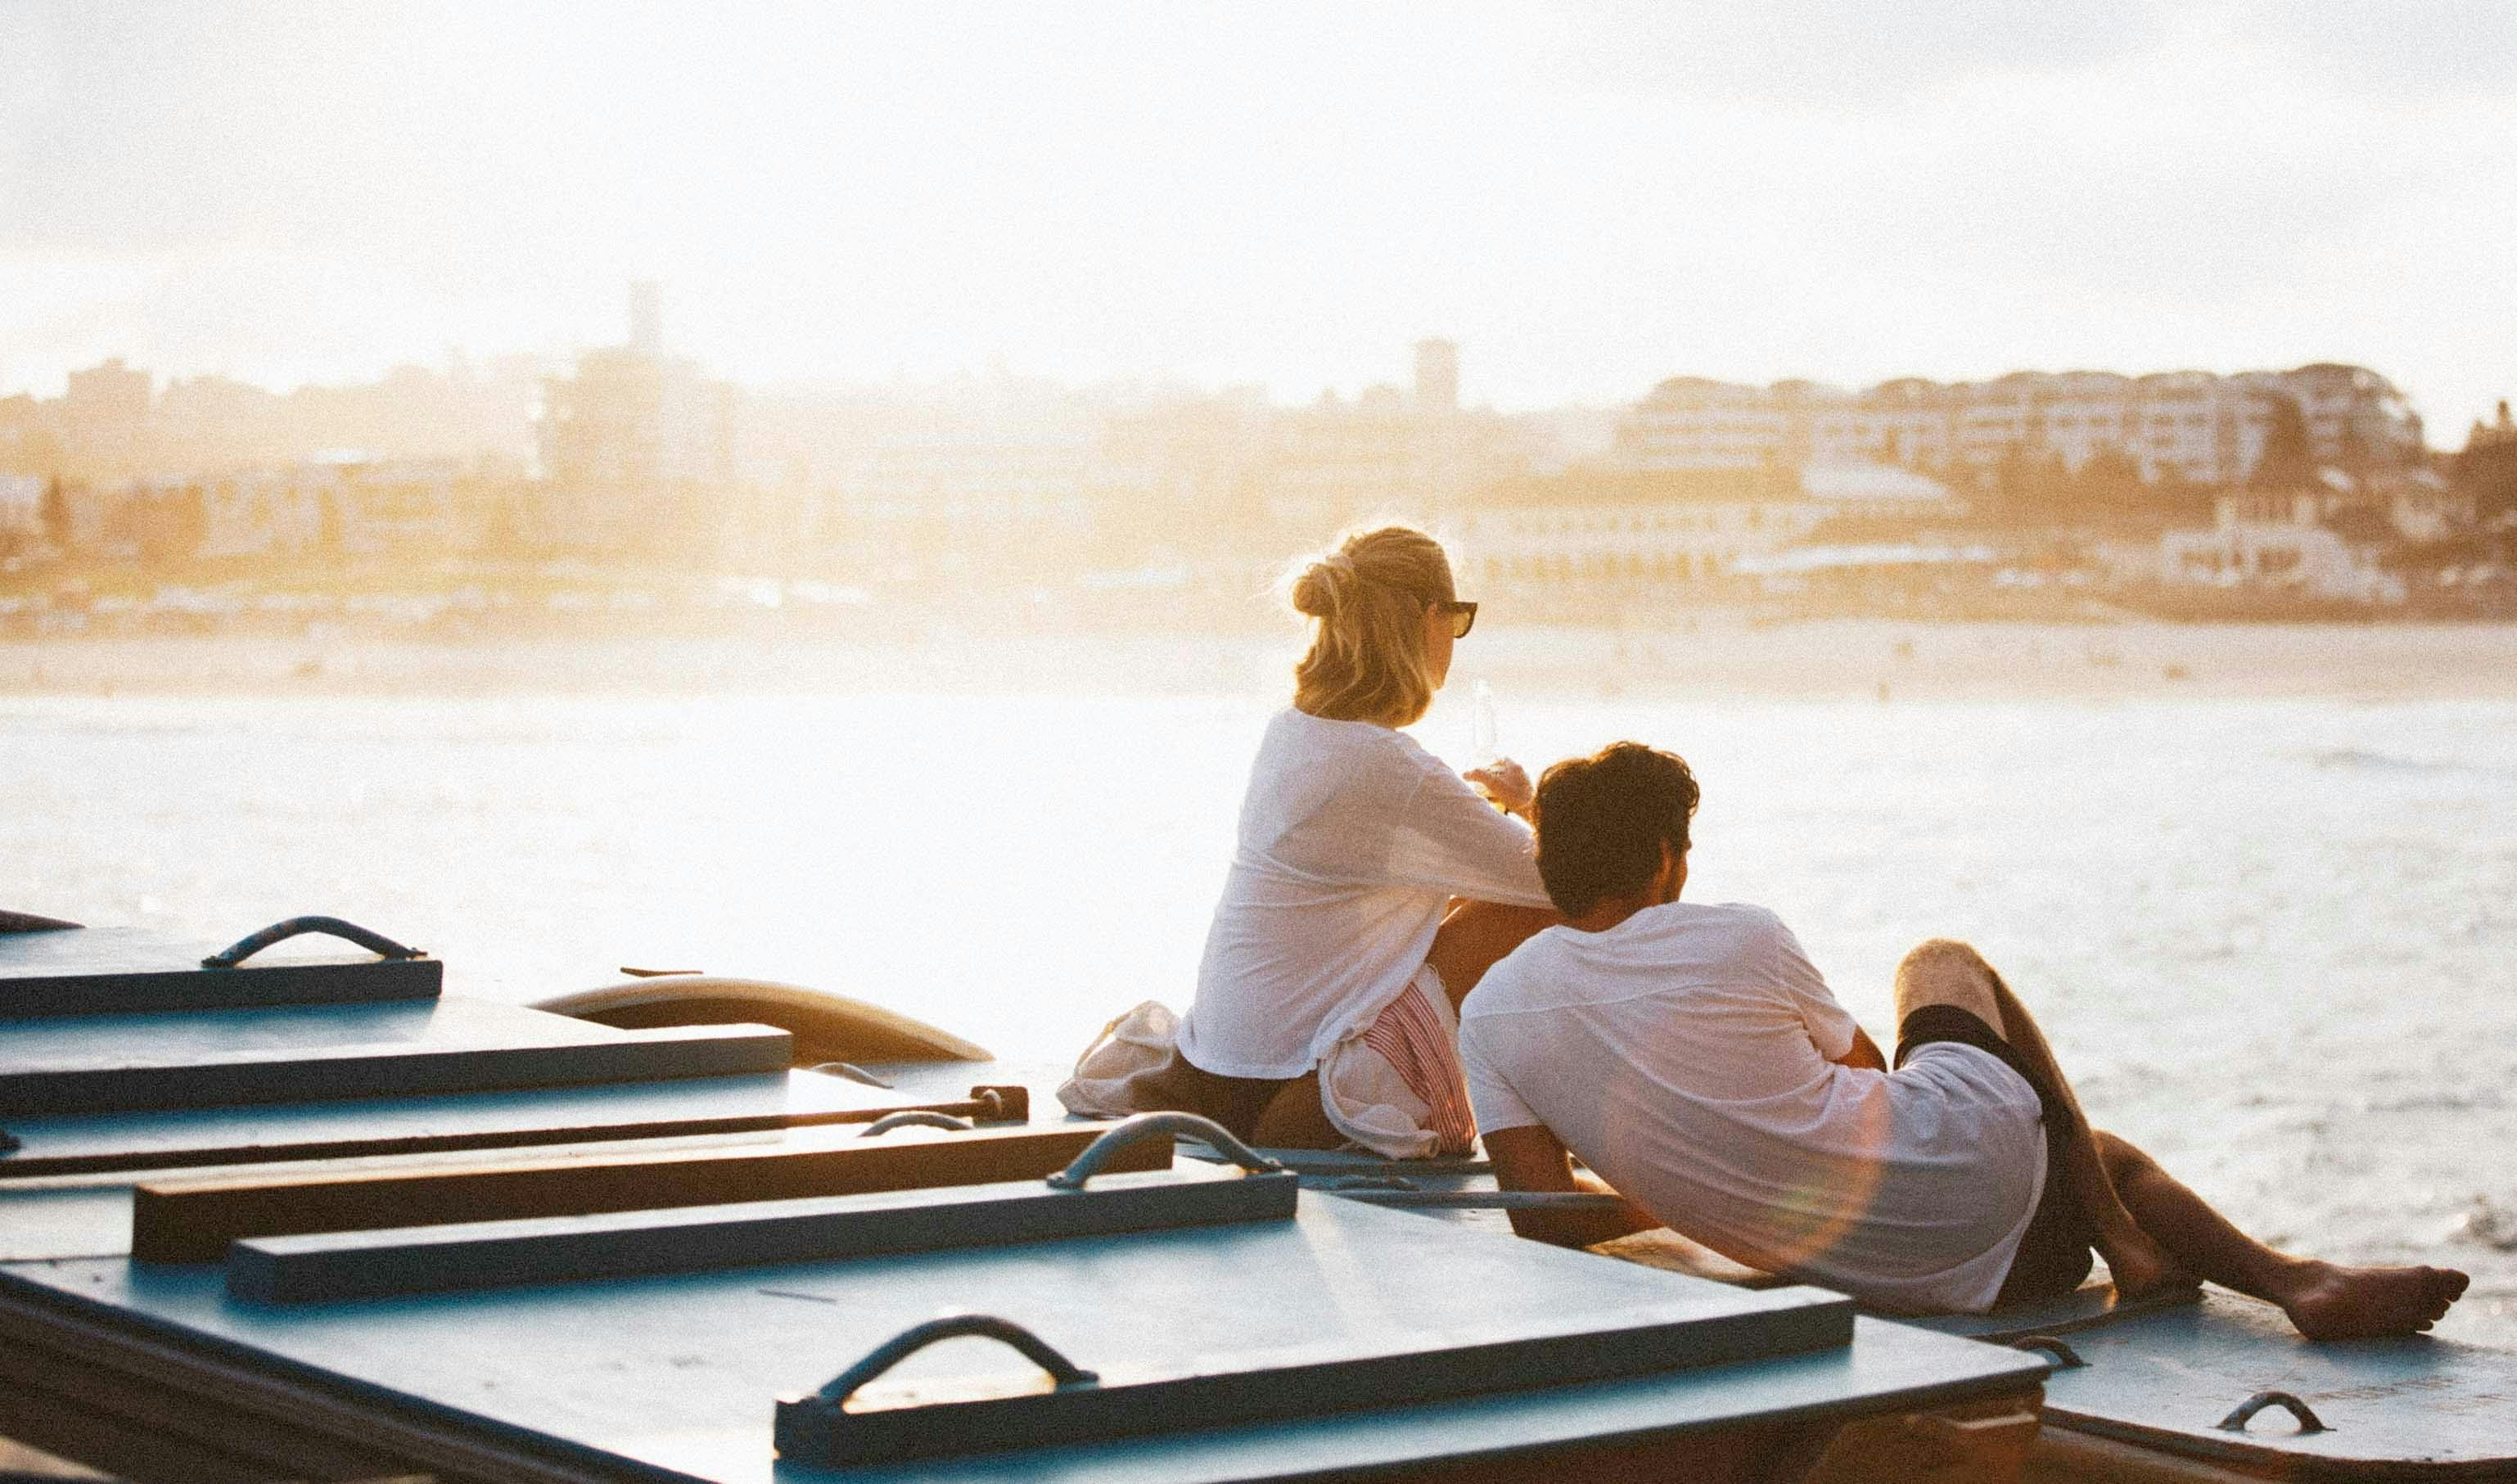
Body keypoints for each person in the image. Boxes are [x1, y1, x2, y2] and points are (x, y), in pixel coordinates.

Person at [1457, 741, 2470, 1336]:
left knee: (2085, 1155)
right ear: (1670, 860)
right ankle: (2254, 1271)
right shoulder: (1742, 934)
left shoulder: (1492, 1012)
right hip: (1979, 1225)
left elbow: (1542, 1216)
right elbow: (1860, 1073)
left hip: (1877, 1277)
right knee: (1945, 964)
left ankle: (2254, 1267)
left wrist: (1680, 1180)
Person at [1143, 525, 1561, 1152]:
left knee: (1454, 905)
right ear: (1427, 619)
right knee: (1522, 914)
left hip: (1215, 1079)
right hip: (1297, 1094)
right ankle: (1557, 1134)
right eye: (1457, 618)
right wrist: (1529, 806)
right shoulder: (1390, 767)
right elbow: (1563, 884)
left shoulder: (1292, 734)